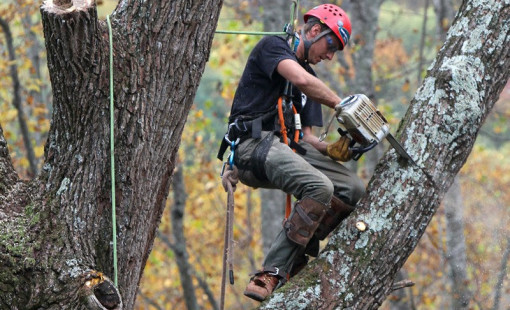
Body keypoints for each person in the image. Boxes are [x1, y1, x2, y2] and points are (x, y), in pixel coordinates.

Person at [217, 4, 365, 302]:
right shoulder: (273, 48)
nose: (330, 56)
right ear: (313, 31)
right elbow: (301, 80)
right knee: (319, 187)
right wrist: (344, 105)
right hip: (251, 146)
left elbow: (307, 138)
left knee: (352, 188)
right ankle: (272, 271)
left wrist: (334, 151)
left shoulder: (308, 78)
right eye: (331, 45)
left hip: (286, 148)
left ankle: (295, 256)